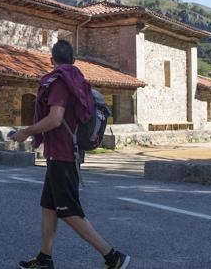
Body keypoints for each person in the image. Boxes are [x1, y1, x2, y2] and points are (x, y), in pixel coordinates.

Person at [11, 40, 131, 269]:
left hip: (63, 155)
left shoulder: (58, 82)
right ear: (73, 61)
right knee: (49, 206)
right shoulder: (76, 80)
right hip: (62, 153)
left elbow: (56, 118)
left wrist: (26, 131)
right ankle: (45, 258)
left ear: (51, 60)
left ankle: (113, 256)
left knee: (69, 212)